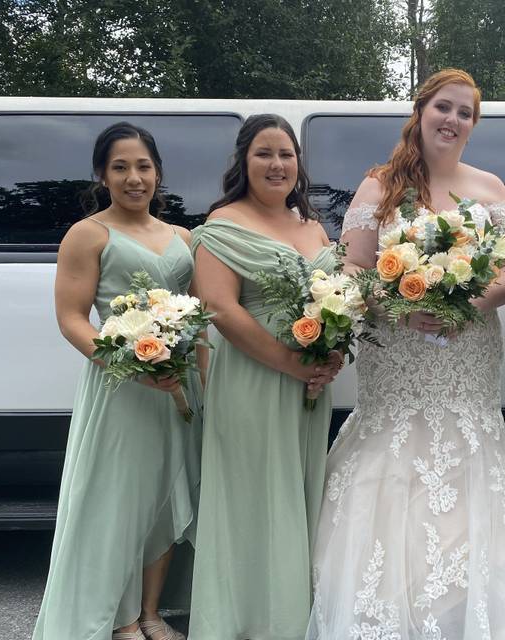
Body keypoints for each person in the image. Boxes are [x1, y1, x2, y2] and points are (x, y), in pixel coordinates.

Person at [305, 68, 505, 640]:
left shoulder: (489, 187)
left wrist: (472, 304)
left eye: (465, 113)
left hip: (468, 350)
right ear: (421, 110)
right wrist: (400, 306)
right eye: (444, 108)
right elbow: (354, 266)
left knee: (467, 449)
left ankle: (472, 602)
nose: (453, 120)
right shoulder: (379, 187)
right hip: (398, 351)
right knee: (393, 447)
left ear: (472, 125)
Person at [33, 122, 202, 640]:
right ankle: (123, 617)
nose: (134, 178)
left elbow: (198, 317)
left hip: (179, 386)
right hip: (122, 387)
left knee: (169, 494)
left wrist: (200, 385)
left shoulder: (182, 238)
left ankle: (152, 612)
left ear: (158, 173)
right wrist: (130, 364)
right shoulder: (88, 234)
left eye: (143, 166)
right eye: (120, 167)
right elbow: (73, 319)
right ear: (102, 175)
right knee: (120, 500)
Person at [187, 114, 342, 640]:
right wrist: (292, 363)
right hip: (252, 381)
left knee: (298, 493)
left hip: (309, 385)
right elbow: (220, 310)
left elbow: (337, 303)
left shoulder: (313, 227)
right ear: (243, 162)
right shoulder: (222, 225)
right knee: (253, 498)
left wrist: (331, 358)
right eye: (264, 153)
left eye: (286, 154)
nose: (277, 164)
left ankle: (290, 614)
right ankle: (247, 622)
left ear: (299, 164)